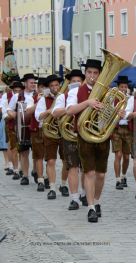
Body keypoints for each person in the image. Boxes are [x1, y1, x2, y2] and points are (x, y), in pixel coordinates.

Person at [66, 59, 112, 223]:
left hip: (102, 136)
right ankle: (91, 207)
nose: (92, 76)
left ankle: (97, 201)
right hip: (84, 136)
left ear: (99, 75)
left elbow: (111, 113)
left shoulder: (107, 92)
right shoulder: (75, 91)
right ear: (85, 74)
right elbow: (70, 110)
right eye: (89, 73)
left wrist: (117, 114)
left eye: (95, 73)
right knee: (89, 172)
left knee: (100, 174)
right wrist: (87, 103)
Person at [52, 69, 87, 210]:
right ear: (69, 83)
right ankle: (74, 198)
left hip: (85, 135)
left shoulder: (88, 95)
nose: (76, 83)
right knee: (73, 167)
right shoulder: (63, 96)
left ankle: (85, 194)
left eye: (78, 81)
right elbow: (55, 112)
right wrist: (70, 109)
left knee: (86, 168)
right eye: (73, 82)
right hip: (69, 135)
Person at [35, 74, 68, 199]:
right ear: (49, 87)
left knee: (66, 161)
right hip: (50, 133)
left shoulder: (64, 97)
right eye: (52, 86)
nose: (55, 87)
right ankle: (52, 187)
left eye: (56, 85)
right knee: (51, 160)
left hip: (63, 132)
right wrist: (50, 111)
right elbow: (38, 116)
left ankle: (63, 184)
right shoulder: (44, 99)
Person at [7, 73, 38, 185]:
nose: (33, 84)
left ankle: (35, 170)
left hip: (35, 127)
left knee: (37, 153)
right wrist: (16, 116)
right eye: (31, 82)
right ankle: (25, 175)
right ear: (25, 83)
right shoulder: (17, 96)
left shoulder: (38, 95)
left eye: (34, 82)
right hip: (23, 129)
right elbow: (9, 110)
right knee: (24, 153)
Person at [112, 76, 133, 190]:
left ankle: (124, 175)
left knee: (126, 156)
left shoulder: (130, 99)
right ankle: (117, 179)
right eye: (121, 87)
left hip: (128, 129)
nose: (124, 89)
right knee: (118, 155)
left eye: (125, 87)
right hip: (117, 128)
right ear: (118, 87)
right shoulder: (113, 98)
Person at [2, 80, 21, 180]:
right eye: (16, 90)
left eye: (19, 89)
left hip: (22, 125)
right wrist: (10, 116)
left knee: (22, 148)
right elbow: (3, 110)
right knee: (11, 145)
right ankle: (13, 167)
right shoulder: (7, 96)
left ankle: (20, 167)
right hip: (10, 123)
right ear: (13, 89)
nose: (17, 91)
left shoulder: (23, 95)